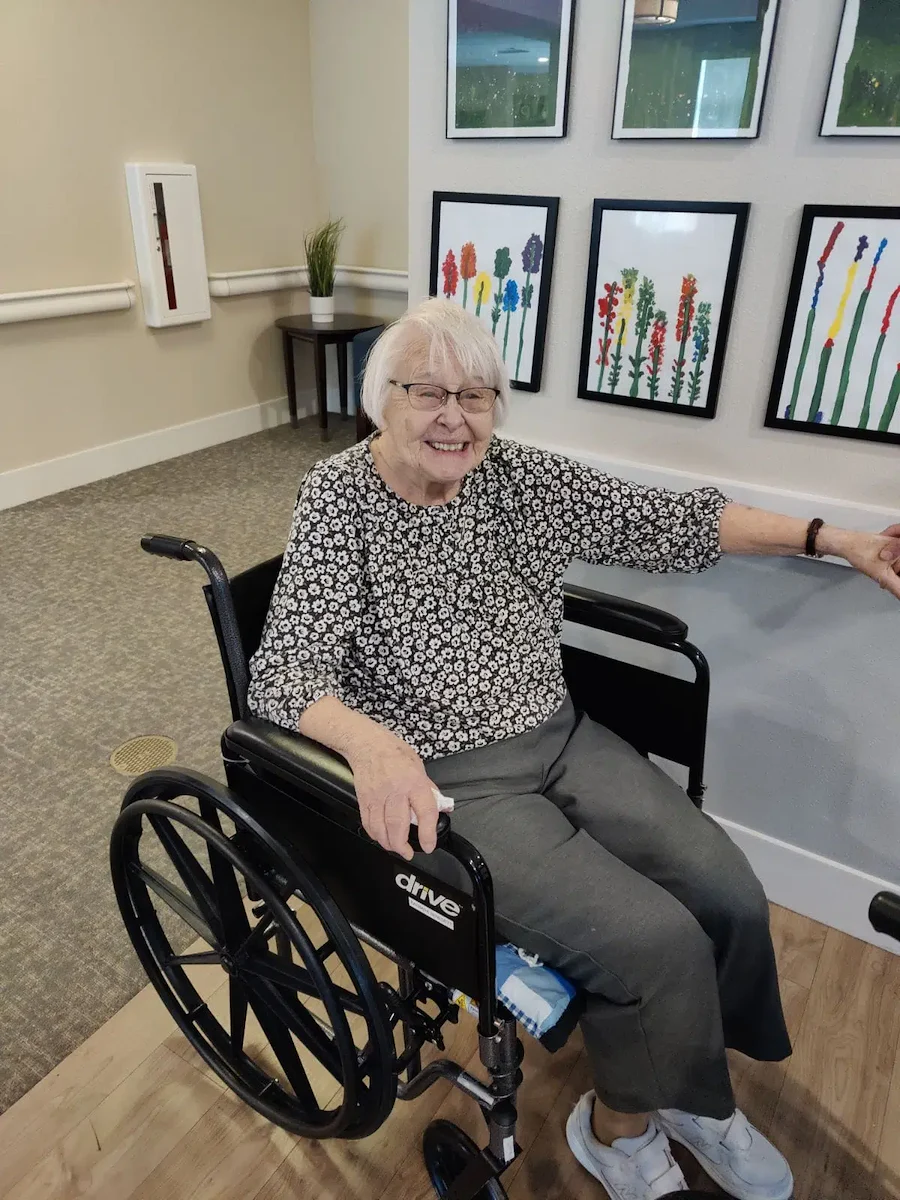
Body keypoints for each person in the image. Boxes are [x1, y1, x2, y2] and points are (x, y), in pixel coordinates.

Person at [248, 299, 900, 1200]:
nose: (454, 416)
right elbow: (283, 674)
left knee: (728, 892)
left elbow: (667, 520)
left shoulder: (516, 478)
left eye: (477, 396)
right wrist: (378, 749)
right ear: (379, 401)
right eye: (428, 392)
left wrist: (836, 540)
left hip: (559, 738)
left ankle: (691, 1093)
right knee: (653, 941)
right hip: (452, 779)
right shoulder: (338, 496)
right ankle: (614, 1131)